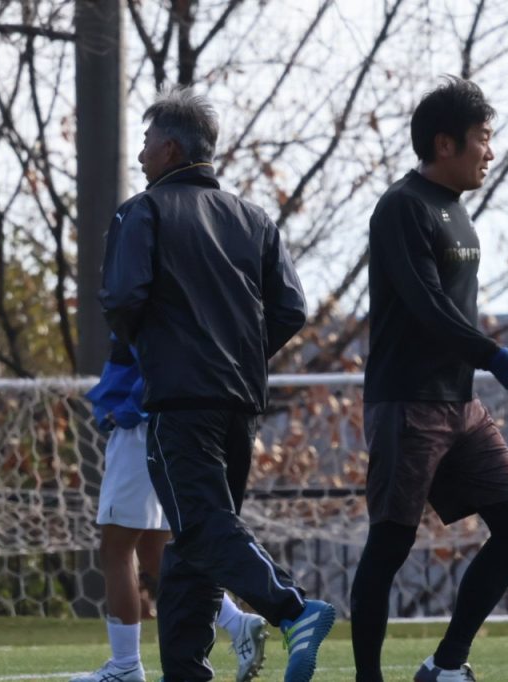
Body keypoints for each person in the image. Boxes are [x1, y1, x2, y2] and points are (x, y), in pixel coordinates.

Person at [99, 87, 334, 682]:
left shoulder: (143, 211)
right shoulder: (254, 217)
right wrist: (238, 355)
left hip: (180, 400)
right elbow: (291, 308)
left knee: (202, 524)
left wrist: (153, 351)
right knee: (191, 540)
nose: (141, 154)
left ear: (171, 148)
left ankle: (292, 609)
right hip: (240, 401)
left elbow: (122, 299)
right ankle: (186, 671)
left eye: (148, 141)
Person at [350, 76, 508, 682]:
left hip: (459, 404)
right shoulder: (402, 207)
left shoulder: (457, 211)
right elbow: (427, 305)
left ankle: (445, 665)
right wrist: (497, 356)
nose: (491, 151)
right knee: (390, 545)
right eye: (482, 138)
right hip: (407, 403)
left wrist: (483, 362)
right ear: (444, 143)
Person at [71, 335, 270, 682]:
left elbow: (155, 351)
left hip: (141, 426)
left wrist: (127, 409)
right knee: (157, 551)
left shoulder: (149, 302)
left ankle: (125, 665)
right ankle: (236, 622)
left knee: (116, 549)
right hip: (170, 425)